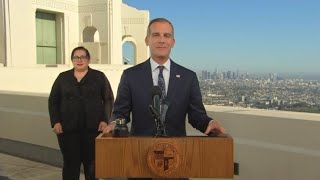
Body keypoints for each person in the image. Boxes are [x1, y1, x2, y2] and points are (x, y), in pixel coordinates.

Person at [48, 46, 114, 180]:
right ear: (72, 60)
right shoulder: (63, 78)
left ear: (88, 59)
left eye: (83, 57)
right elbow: (53, 101)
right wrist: (55, 121)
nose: (79, 60)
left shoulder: (99, 77)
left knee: (92, 165)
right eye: (76, 57)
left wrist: (105, 120)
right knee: (70, 164)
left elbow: (108, 98)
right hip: (68, 130)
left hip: (93, 129)